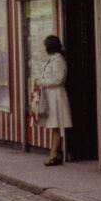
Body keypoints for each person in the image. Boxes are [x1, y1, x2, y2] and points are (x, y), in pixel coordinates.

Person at [38, 35, 72, 166]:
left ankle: (54, 154)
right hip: (51, 96)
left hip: (56, 96)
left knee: (56, 125)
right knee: (54, 125)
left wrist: (43, 82)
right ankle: (55, 153)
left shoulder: (58, 60)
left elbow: (58, 78)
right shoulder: (53, 59)